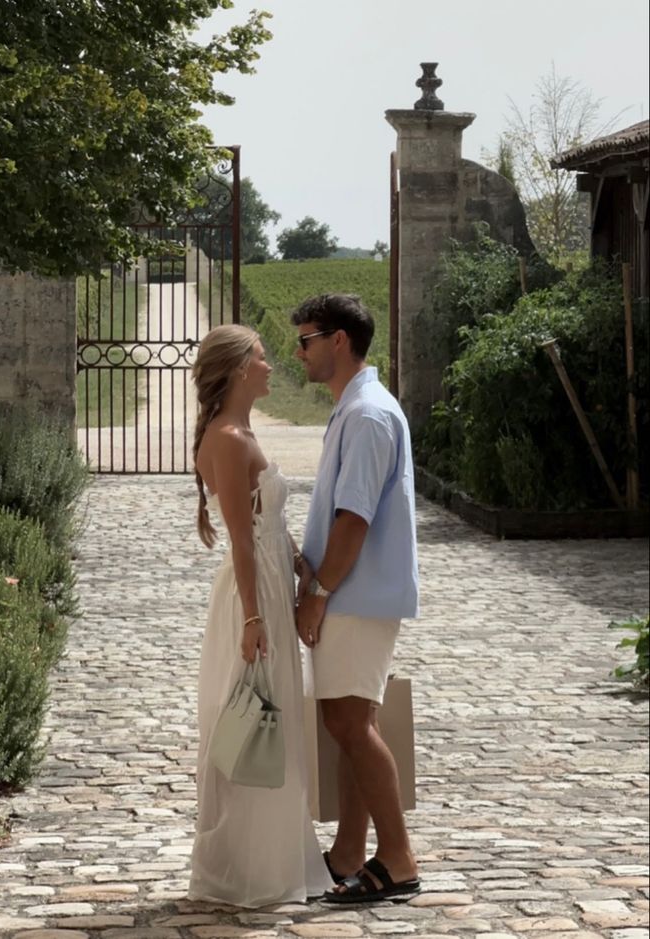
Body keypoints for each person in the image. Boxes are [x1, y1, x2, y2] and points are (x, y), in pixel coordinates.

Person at [187, 323, 332, 908]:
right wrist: (253, 620)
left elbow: (265, 526)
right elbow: (241, 542)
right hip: (252, 595)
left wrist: (297, 561)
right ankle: (244, 869)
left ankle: (275, 858)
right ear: (242, 367)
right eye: (265, 358)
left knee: (275, 720)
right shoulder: (226, 436)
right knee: (253, 719)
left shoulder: (244, 430)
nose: (274, 366)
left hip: (272, 582)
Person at [292, 293, 421, 904]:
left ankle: (397, 857)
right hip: (353, 591)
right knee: (350, 723)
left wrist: (317, 591)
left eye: (306, 339)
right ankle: (348, 852)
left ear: (338, 341)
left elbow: (355, 520)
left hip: (355, 595)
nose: (300, 351)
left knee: (348, 722)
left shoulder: (368, 415)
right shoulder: (356, 408)